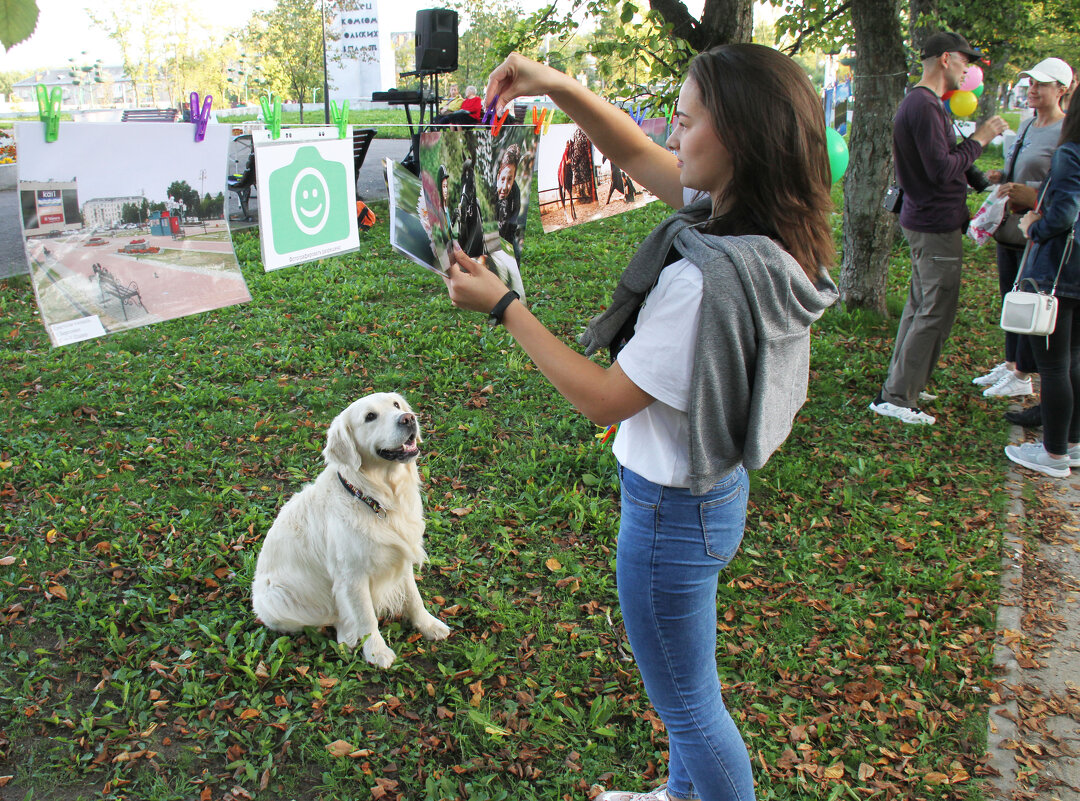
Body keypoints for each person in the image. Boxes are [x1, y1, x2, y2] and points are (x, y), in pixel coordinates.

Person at [444, 44, 838, 801]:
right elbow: (629, 146)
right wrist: (553, 83)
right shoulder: (763, 232)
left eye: (686, 123)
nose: (672, 135)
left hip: (668, 518)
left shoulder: (702, 282)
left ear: (740, 142)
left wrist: (503, 304)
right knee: (691, 681)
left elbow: (603, 398)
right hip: (712, 496)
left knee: (688, 705)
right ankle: (681, 794)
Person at [869, 31, 1008, 425]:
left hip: (929, 220)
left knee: (921, 307)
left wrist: (984, 182)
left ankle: (905, 384)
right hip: (933, 224)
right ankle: (897, 397)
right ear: (946, 58)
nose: (969, 69)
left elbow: (948, 158)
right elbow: (940, 169)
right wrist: (981, 138)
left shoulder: (928, 104)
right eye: (967, 61)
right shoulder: (924, 106)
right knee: (933, 311)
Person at [975, 57, 1073, 412]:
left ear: (1062, 90)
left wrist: (1030, 194)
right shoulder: (1030, 125)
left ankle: (1023, 374)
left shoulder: (1064, 133)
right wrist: (1005, 176)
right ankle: (1012, 364)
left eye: (1041, 84)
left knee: (1028, 302)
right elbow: (1025, 167)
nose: (1032, 90)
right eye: (1030, 83)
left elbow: (1062, 189)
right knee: (1010, 296)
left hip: (1039, 233)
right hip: (1011, 229)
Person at [1006, 99, 1080, 477]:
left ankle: (1053, 454)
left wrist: (1034, 224)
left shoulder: (1071, 152)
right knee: (1074, 359)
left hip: (1057, 272)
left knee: (1053, 366)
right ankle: (1070, 442)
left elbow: (1063, 213)